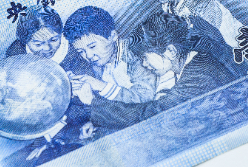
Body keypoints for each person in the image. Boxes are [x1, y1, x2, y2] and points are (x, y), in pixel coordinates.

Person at [73, 13, 234, 130]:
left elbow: (152, 115)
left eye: (145, 57)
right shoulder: (190, 65)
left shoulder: (199, 75)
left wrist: (93, 104)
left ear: (170, 51)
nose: (144, 64)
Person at [0, 6, 92, 167]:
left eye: (54, 39)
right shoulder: (16, 53)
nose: (47, 48)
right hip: (36, 119)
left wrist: (70, 91)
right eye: (37, 43)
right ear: (26, 42)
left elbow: (86, 105)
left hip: (72, 120)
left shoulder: (75, 55)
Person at [64, 6, 156, 104]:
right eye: (81, 51)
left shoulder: (135, 54)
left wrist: (101, 86)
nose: (89, 55)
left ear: (112, 36)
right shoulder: (98, 62)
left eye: (92, 46)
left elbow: (145, 97)